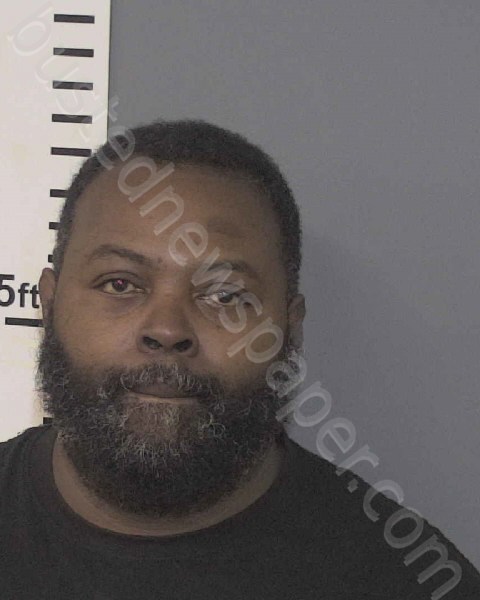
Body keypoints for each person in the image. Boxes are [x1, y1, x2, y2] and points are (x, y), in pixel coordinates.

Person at [1, 119, 478, 600]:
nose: (167, 329)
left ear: (289, 328)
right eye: (120, 283)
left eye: (225, 295)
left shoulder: (415, 580)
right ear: (49, 303)